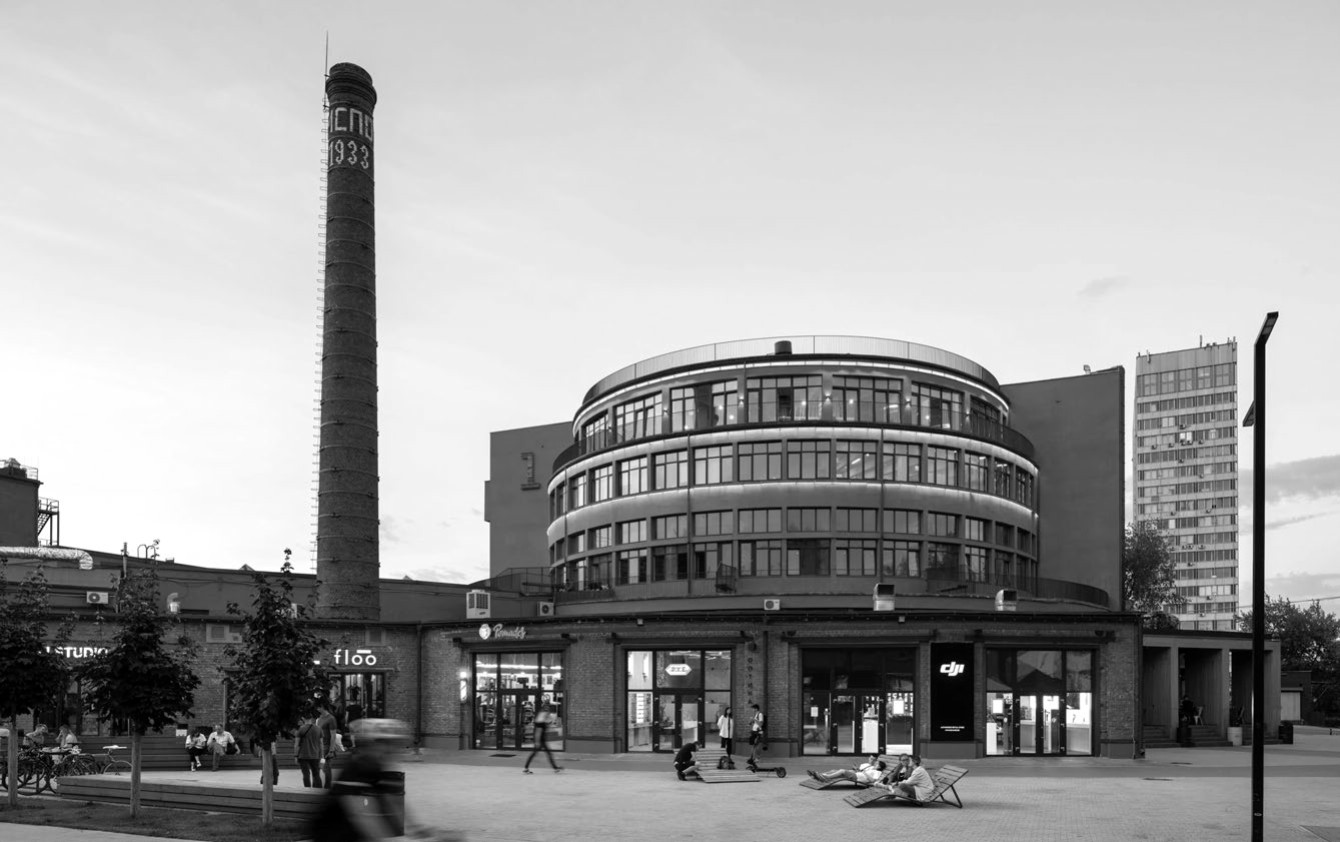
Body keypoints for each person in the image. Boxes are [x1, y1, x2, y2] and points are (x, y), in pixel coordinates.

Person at [308, 718, 431, 841]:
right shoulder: (357, 767)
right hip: (332, 834)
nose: (395, 749)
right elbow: (361, 813)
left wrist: (416, 829)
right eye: (390, 744)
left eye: (398, 744)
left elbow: (395, 803)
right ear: (372, 744)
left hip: (357, 834)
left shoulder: (386, 768)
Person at [522, 701, 562, 773]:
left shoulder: (542, 720)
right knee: (541, 753)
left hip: (541, 740)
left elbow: (546, 725)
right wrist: (537, 742)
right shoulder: (541, 722)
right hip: (540, 741)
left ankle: (555, 768)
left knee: (544, 753)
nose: (549, 713)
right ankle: (555, 768)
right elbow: (538, 732)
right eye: (548, 711)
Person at [807, 754, 887, 785]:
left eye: (877, 763)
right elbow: (861, 771)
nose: (875, 763)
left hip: (858, 778)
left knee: (842, 771)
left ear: (879, 767)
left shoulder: (877, 772)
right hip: (857, 774)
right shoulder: (871, 768)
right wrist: (856, 769)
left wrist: (864, 773)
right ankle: (819, 776)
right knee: (835, 771)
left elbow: (873, 780)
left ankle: (824, 777)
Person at [295, 715, 325, 788]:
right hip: (315, 755)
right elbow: (321, 744)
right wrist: (322, 756)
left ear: (303, 718)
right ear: (311, 718)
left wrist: (296, 756)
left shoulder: (301, 729)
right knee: (316, 774)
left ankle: (307, 790)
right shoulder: (319, 729)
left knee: (306, 774)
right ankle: (319, 790)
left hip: (303, 755)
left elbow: (296, 744)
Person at [317, 704, 340, 788]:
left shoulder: (331, 718)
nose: (317, 709)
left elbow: (333, 735)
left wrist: (331, 750)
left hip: (327, 747)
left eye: (318, 707)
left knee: (326, 768)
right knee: (320, 768)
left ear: (323, 707)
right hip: (320, 746)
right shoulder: (319, 718)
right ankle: (320, 787)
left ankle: (327, 786)